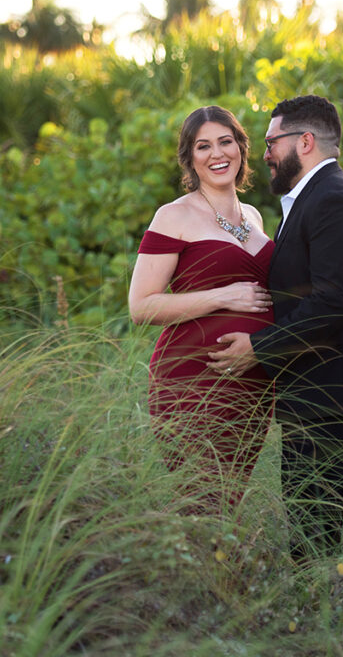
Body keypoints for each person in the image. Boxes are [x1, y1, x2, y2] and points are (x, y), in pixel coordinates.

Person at [208, 94, 343, 560]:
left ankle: (333, 617)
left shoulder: (336, 200)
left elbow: (333, 303)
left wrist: (258, 348)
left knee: (319, 528)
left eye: (272, 141)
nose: (266, 153)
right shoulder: (312, 198)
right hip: (320, 387)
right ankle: (341, 613)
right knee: (321, 522)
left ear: (306, 141)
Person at [129, 105, 274, 511]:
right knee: (200, 500)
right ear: (190, 157)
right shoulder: (173, 215)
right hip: (192, 379)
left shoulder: (254, 216)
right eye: (203, 145)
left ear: (241, 149)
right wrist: (223, 297)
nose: (217, 154)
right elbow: (140, 306)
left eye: (225, 142)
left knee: (227, 504)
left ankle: (219, 573)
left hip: (251, 383)